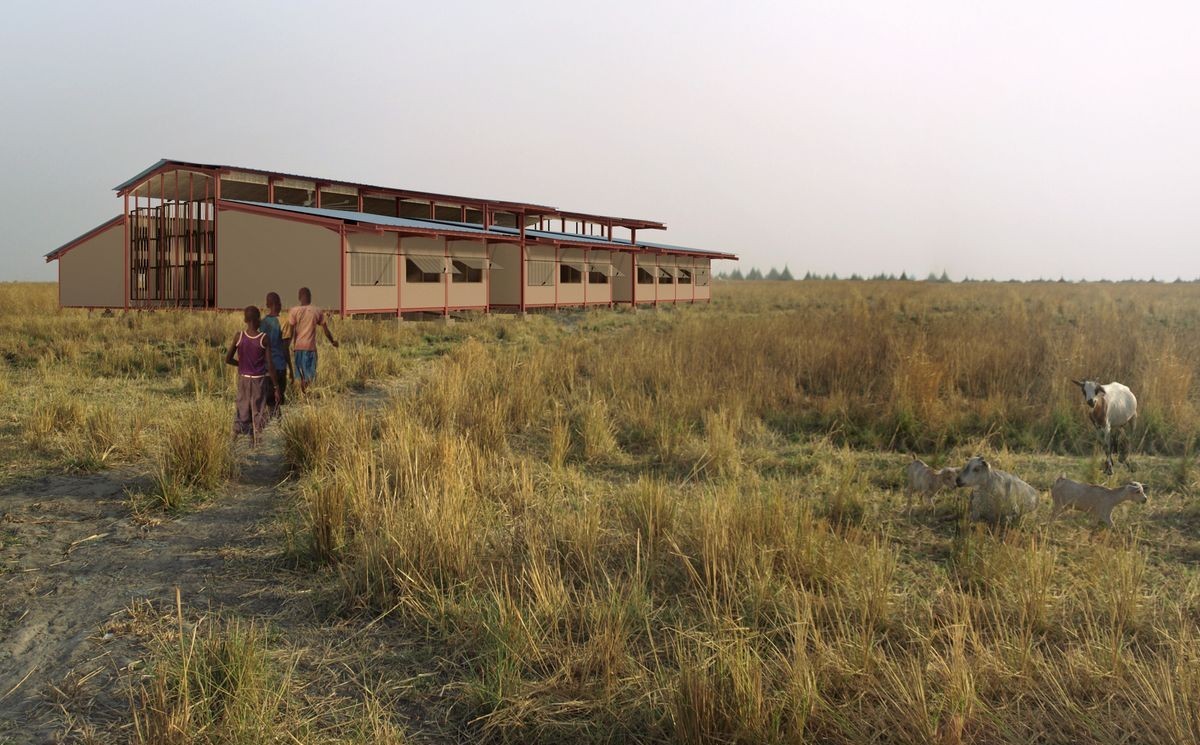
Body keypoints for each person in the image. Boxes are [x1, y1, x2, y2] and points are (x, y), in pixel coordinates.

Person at [225, 305, 280, 445]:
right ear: (258, 320)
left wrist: (241, 364)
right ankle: (256, 442)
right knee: (258, 410)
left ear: (245, 320)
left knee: (242, 408)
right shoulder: (263, 338)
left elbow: (228, 359)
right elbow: (270, 365)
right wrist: (276, 386)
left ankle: (234, 440)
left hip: (243, 379)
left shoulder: (239, 336)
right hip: (258, 381)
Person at [285, 286, 338, 395]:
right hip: (310, 348)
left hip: (298, 348)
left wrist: (286, 346)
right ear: (310, 297)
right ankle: (307, 394)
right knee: (309, 375)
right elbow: (326, 331)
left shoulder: (293, 311)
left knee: (301, 375)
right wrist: (333, 341)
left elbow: (290, 333)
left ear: (299, 297)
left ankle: (304, 394)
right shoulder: (317, 311)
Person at [260, 292, 291, 416]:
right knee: (278, 400)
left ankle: (271, 425)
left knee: (269, 401)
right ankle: (275, 427)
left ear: (267, 304)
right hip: (279, 367)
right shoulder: (284, 322)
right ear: (278, 304)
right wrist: (291, 369)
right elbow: (285, 348)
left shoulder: (262, 323)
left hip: (265, 368)